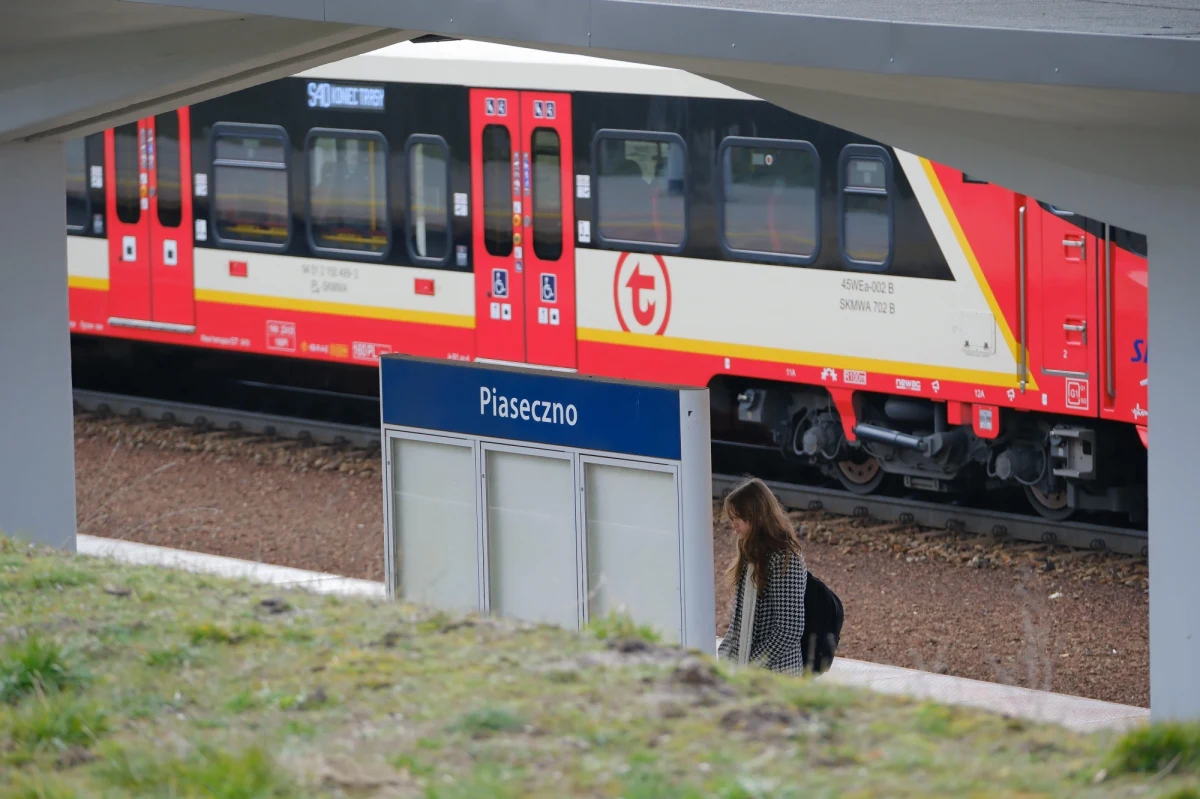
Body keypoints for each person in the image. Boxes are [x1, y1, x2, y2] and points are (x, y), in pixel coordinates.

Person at [717, 477, 808, 675]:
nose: (733, 524)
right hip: (750, 668)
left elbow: (789, 629)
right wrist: (725, 654)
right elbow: (739, 619)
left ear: (756, 517)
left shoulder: (785, 558)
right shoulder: (750, 551)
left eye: (738, 518)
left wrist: (752, 664)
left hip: (776, 674)